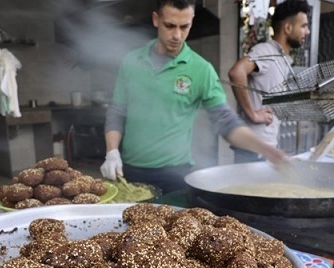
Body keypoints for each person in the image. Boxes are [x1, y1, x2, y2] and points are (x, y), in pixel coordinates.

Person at [100, 0, 288, 194]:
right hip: (129, 171)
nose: (177, 35)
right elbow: (117, 111)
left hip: (174, 175)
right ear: (156, 19)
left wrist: (267, 150)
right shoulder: (131, 62)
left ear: (192, 21)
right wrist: (112, 151)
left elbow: (225, 121)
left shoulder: (201, 70)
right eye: (170, 26)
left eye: (185, 27)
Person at [227, 0, 311, 163]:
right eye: (303, 26)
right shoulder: (266, 51)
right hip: (252, 153)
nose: (307, 32)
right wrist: (252, 114)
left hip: (264, 150)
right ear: (288, 28)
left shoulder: (282, 58)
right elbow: (236, 72)